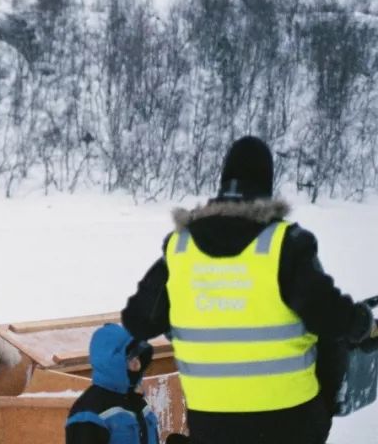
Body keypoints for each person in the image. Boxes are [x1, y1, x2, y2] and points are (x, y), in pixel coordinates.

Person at [122, 136, 378, 444]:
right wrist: (364, 323)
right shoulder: (286, 244)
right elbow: (329, 315)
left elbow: (139, 321)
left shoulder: (180, 248)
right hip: (291, 421)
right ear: (266, 186)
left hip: (211, 423)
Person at [65, 323, 159, 444]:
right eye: (130, 358)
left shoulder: (137, 401)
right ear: (111, 362)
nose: (137, 364)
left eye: (138, 357)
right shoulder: (89, 412)